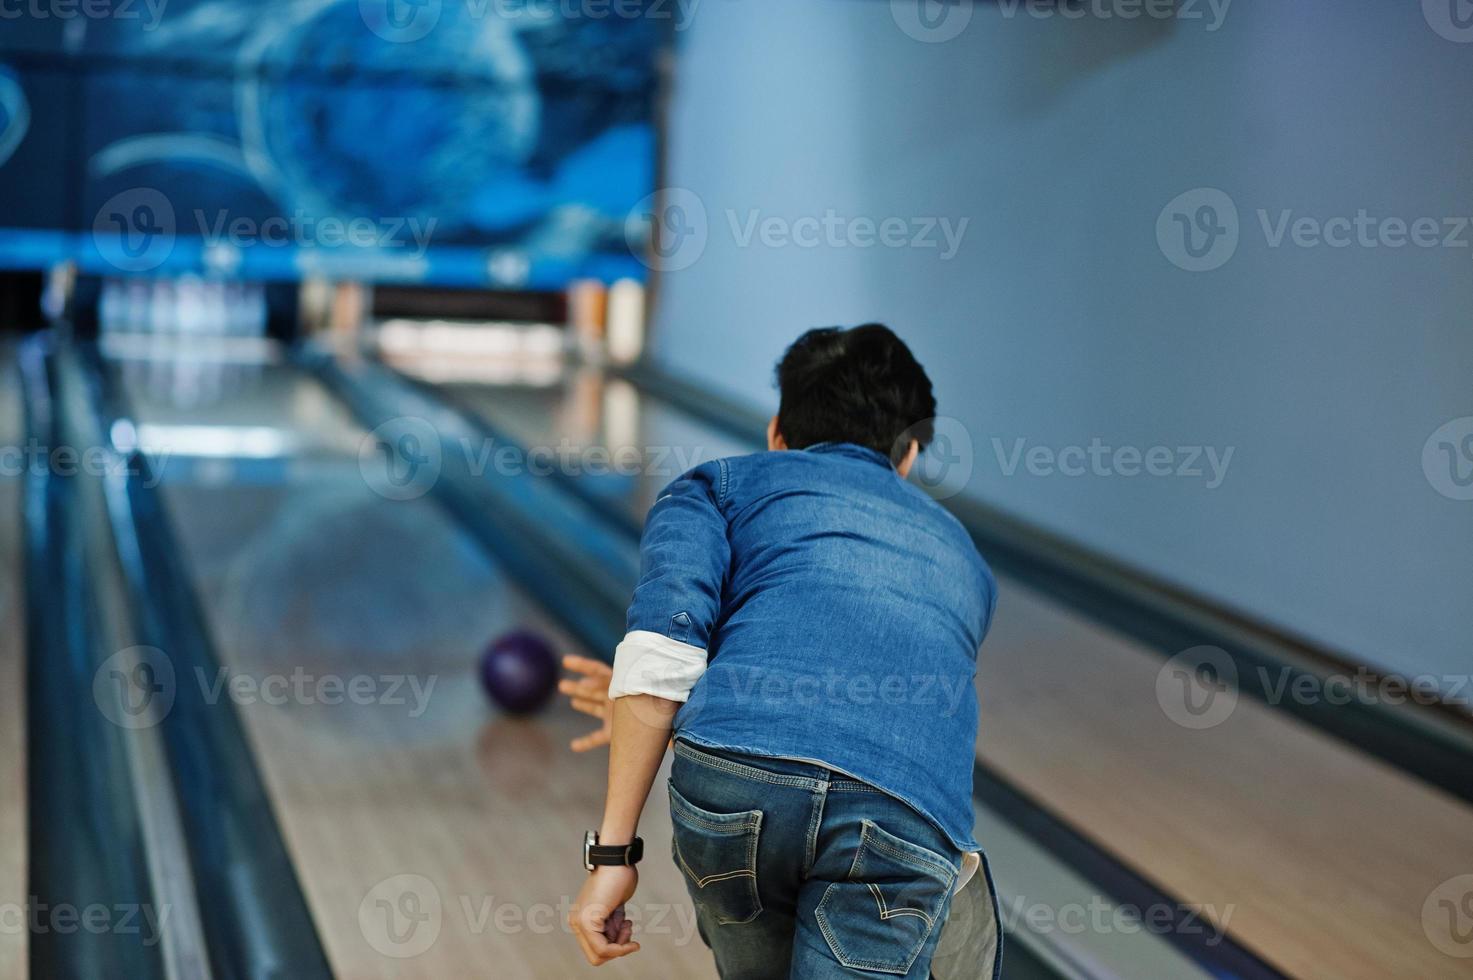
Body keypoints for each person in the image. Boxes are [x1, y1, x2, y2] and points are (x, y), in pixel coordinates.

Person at [567, 324, 1000, 979]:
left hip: (736, 779)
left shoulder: (716, 486)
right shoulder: (963, 557)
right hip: (900, 810)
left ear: (777, 432)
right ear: (907, 458)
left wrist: (612, 860)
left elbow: (660, 658)